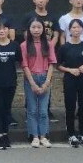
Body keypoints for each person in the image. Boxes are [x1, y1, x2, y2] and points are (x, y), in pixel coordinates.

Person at [22, 0, 61, 123]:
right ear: (34, 0)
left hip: (47, 51)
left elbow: (56, 34)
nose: (41, 0)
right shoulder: (28, 16)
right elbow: (26, 34)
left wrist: (49, 46)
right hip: (32, 50)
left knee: (47, 82)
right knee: (30, 83)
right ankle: (29, 111)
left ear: (47, 0)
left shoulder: (53, 17)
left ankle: (46, 110)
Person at [57, 19, 83, 148]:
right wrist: (69, 70)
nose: (76, 30)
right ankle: (71, 134)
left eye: (79, 27)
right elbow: (58, 65)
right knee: (70, 107)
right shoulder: (64, 47)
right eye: (73, 27)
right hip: (70, 80)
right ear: (69, 30)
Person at [0, 20, 22, 149]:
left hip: (10, 82)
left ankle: (5, 133)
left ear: (8, 30)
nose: (2, 31)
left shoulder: (15, 46)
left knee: (7, 109)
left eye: (4, 28)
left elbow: (19, 62)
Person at [22, 17, 57, 148]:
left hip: (44, 77)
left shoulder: (48, 44)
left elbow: (52, 63)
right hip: (30, 78)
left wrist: (47, 82)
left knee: (43, 110)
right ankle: (34, 136)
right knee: (31, 110)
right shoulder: (24, 45)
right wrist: (32, 83)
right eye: (33, 27)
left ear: (43, 29)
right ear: (29, 29)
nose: (36, 30)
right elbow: (24, 65)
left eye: (39, 27)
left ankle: (44, 136)